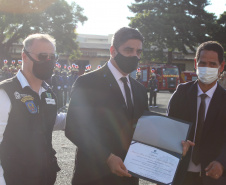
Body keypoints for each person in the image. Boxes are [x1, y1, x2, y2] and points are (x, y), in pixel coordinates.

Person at [65, 27, 149, 185]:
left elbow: (145, 128)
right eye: (128, 50)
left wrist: (173, 145)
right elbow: (73, 128)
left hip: (128, 176)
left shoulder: (140, 90)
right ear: (113, 51)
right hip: (93, 175)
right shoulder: (87, 82)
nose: (134, 56)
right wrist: (107, 157)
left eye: (138, 52)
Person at [0, 33, 66, 185]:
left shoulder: (48, 92)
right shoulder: (6, 92)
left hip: (45, 177)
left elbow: (48, 120)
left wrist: (78, 116)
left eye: (52, 56)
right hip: (14, 178)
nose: (48, 61)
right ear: (24, 56)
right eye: (42, 56)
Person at [167, 41, 226, 185]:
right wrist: (177, 143)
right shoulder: (181, 93)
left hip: (212, 176)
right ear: (195, 63)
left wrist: (222, 163)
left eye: (213, 64)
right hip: (180, 174)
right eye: (203, 63)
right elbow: (169, 128)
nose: (207, 68)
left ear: (221, 66)